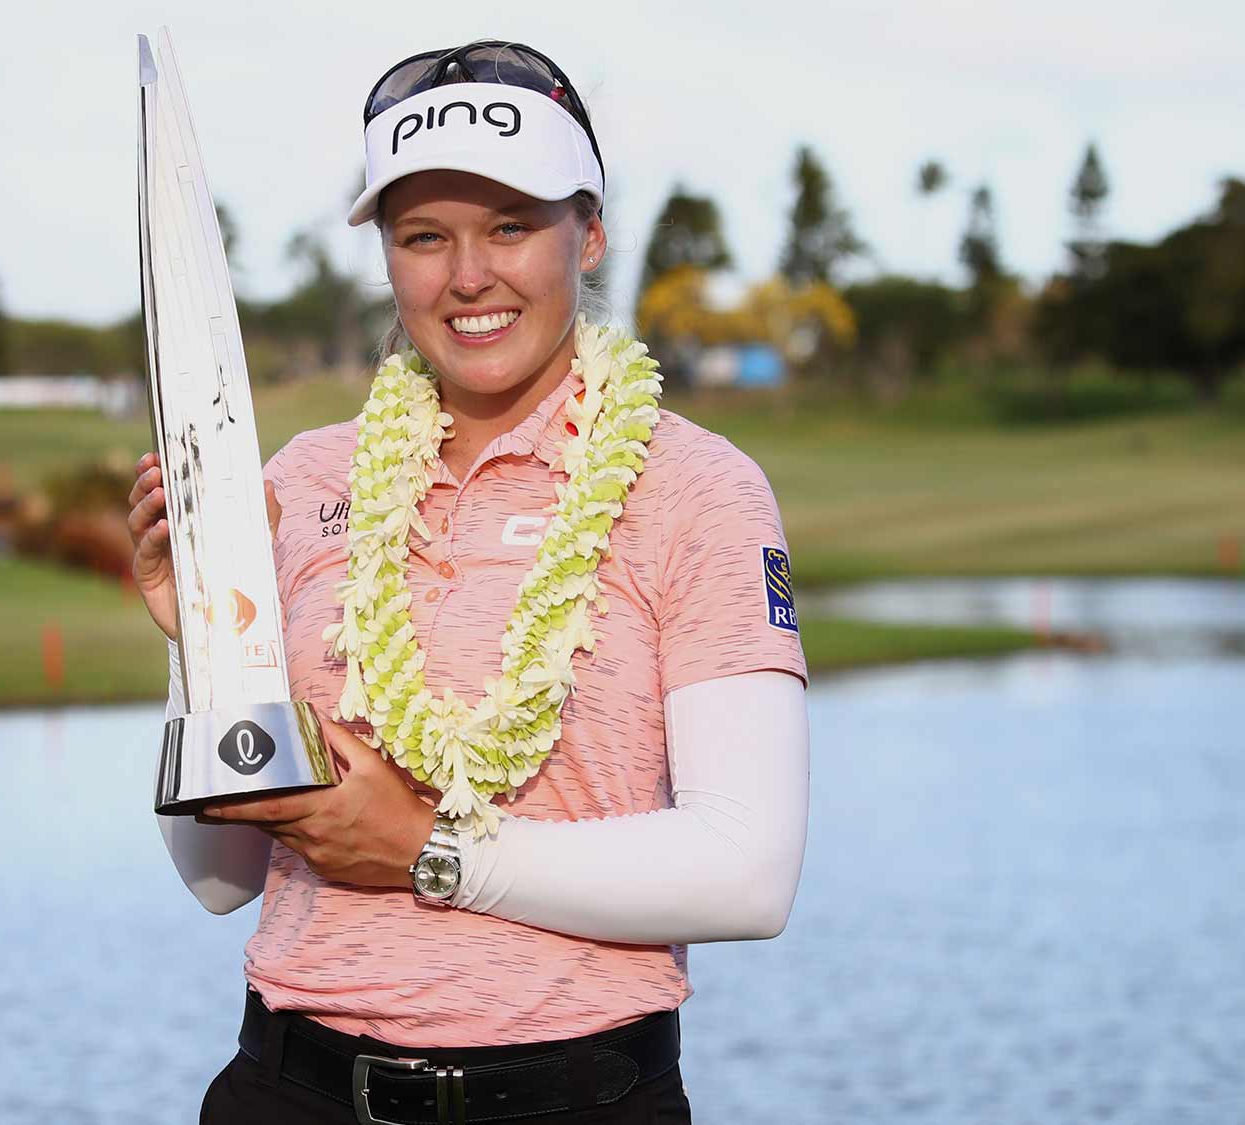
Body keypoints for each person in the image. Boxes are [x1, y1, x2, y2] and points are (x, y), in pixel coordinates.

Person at [127, 40, 809, 1125]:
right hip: (288, 1087)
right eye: (422, 237)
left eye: (508, 225)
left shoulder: (696, 487)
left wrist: (428, 852)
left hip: (573, 1096)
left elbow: (747, 872)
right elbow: (218, 879)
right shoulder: (298, 480)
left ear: (586, 232)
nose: (467, 276)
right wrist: (201, 651)